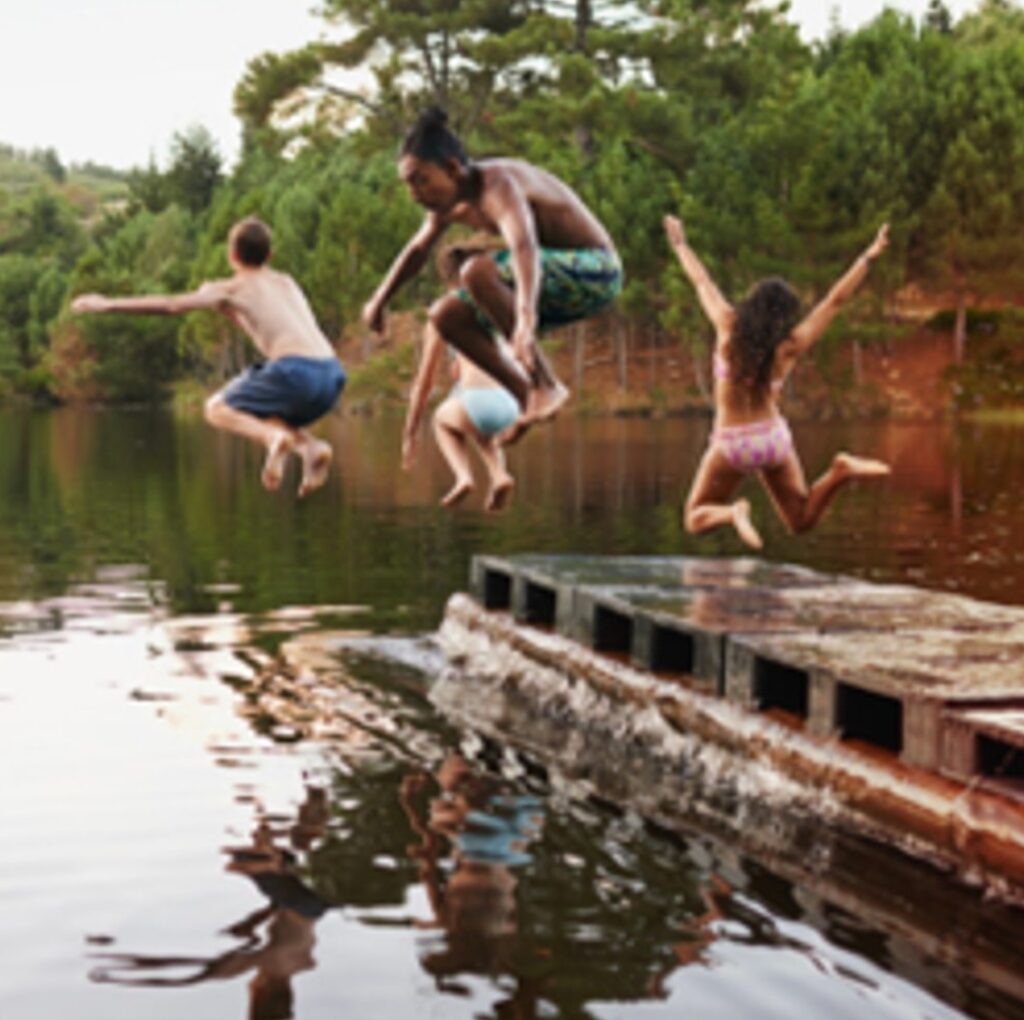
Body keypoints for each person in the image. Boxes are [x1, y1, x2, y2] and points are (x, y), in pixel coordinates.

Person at [363, 106, 622, 444]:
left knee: (477, 271)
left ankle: (545, 384)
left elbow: (523, 245)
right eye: (408, 184)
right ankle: (526, 395)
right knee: (445, 315)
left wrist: (525, 319)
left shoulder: (498, 185)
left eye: (420, 180)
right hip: (555, 283)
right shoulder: (447, 205)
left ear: (453, 169)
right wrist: (380, 299)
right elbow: (417, 251)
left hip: (597, 271)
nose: (414, 193)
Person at [71, 217, 345, 498]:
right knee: (262, 411)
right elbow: (269, 326)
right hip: (332, 374)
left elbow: (172, 305)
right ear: (270, 255)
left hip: (296, 371)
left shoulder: (230, 289)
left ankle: (273, 438)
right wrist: (229, 311)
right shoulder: (287, 283)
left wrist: (107, 304)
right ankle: (310, 448)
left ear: (232, 255)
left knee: (216, 408)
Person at [665, 215, 891, 549]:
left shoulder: (727, 327)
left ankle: (733, 514)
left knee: (695, 517)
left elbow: (702, 282)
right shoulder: (790, 346)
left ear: (752, 303)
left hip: (732, 444)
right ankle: (839, 473)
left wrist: (680, 244)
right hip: (772, 439)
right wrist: (869, 256)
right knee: (799, 520)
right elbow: (834, 301)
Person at [403, 240, 518, 511]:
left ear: (448, 280)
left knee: (441, 421)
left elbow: (424, 382)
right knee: (478, 427)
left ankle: (463, 476)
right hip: (512, 402)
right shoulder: (496, 305)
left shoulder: (443, 313)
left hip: (480, 401)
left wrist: (410, 433)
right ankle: (499, 475)